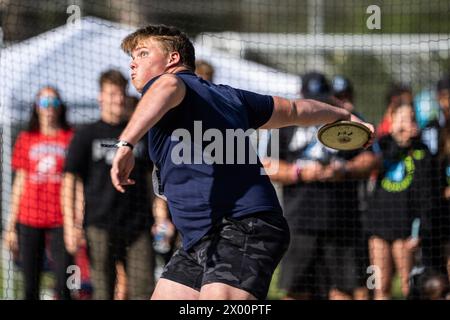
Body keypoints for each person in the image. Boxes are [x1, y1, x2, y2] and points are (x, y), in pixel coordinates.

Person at [110, 25, 374, 300]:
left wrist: (126, 143)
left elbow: (167, 85)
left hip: (244, 226)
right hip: (199, 238)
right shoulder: (231, 97)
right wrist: (342, 115)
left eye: (142, 53)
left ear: (172, 59)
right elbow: (295, 110)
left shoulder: (169, 83)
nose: (133, 62)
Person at [263, 73, 378, 300]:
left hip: (342, 221)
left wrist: (344, 170)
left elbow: (372, 159)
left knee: (342, 290)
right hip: (300, 222)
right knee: (296, 291)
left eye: (322, 97)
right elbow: (267, 165)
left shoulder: (347, 119)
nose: (318, 102)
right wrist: (300, 172)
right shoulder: (285, 124)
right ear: (302, 96)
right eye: (313, 98)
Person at [62, 70, 155, 300]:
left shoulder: (138, 133)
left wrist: (158, 212)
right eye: (112, 93)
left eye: (122, 93)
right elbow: (70, 180)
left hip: (138, 224)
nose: (118, 99)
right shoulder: (86, 134)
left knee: (144, 290)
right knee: (103, 290)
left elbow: (150, 176)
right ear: (100, 97)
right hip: (99, 224)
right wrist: (70, 224)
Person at [4, 86, 73, 300]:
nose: (49, 108)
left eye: (53, 103)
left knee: (63, 285)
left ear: (60, 107)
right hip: (29, 217)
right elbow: (19, 183)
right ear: (37, 107)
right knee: (30, 286)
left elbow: (75, 182)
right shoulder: (26, 138)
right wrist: (10, 226)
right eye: (45, 103)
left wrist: (76, 222)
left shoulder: (70, 137)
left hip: (61, 219)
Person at [364, 102, 433, 299]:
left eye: (411, 118)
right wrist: (398, 139)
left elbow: (426, 195)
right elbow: (379, 161)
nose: (407, 123)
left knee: (408, 286)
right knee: (380, 286)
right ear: (392, 121)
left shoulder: (422, 151)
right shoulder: (381, 145)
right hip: (379, 228)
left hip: (406, 231)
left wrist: (419, 231)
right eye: (402, 119)